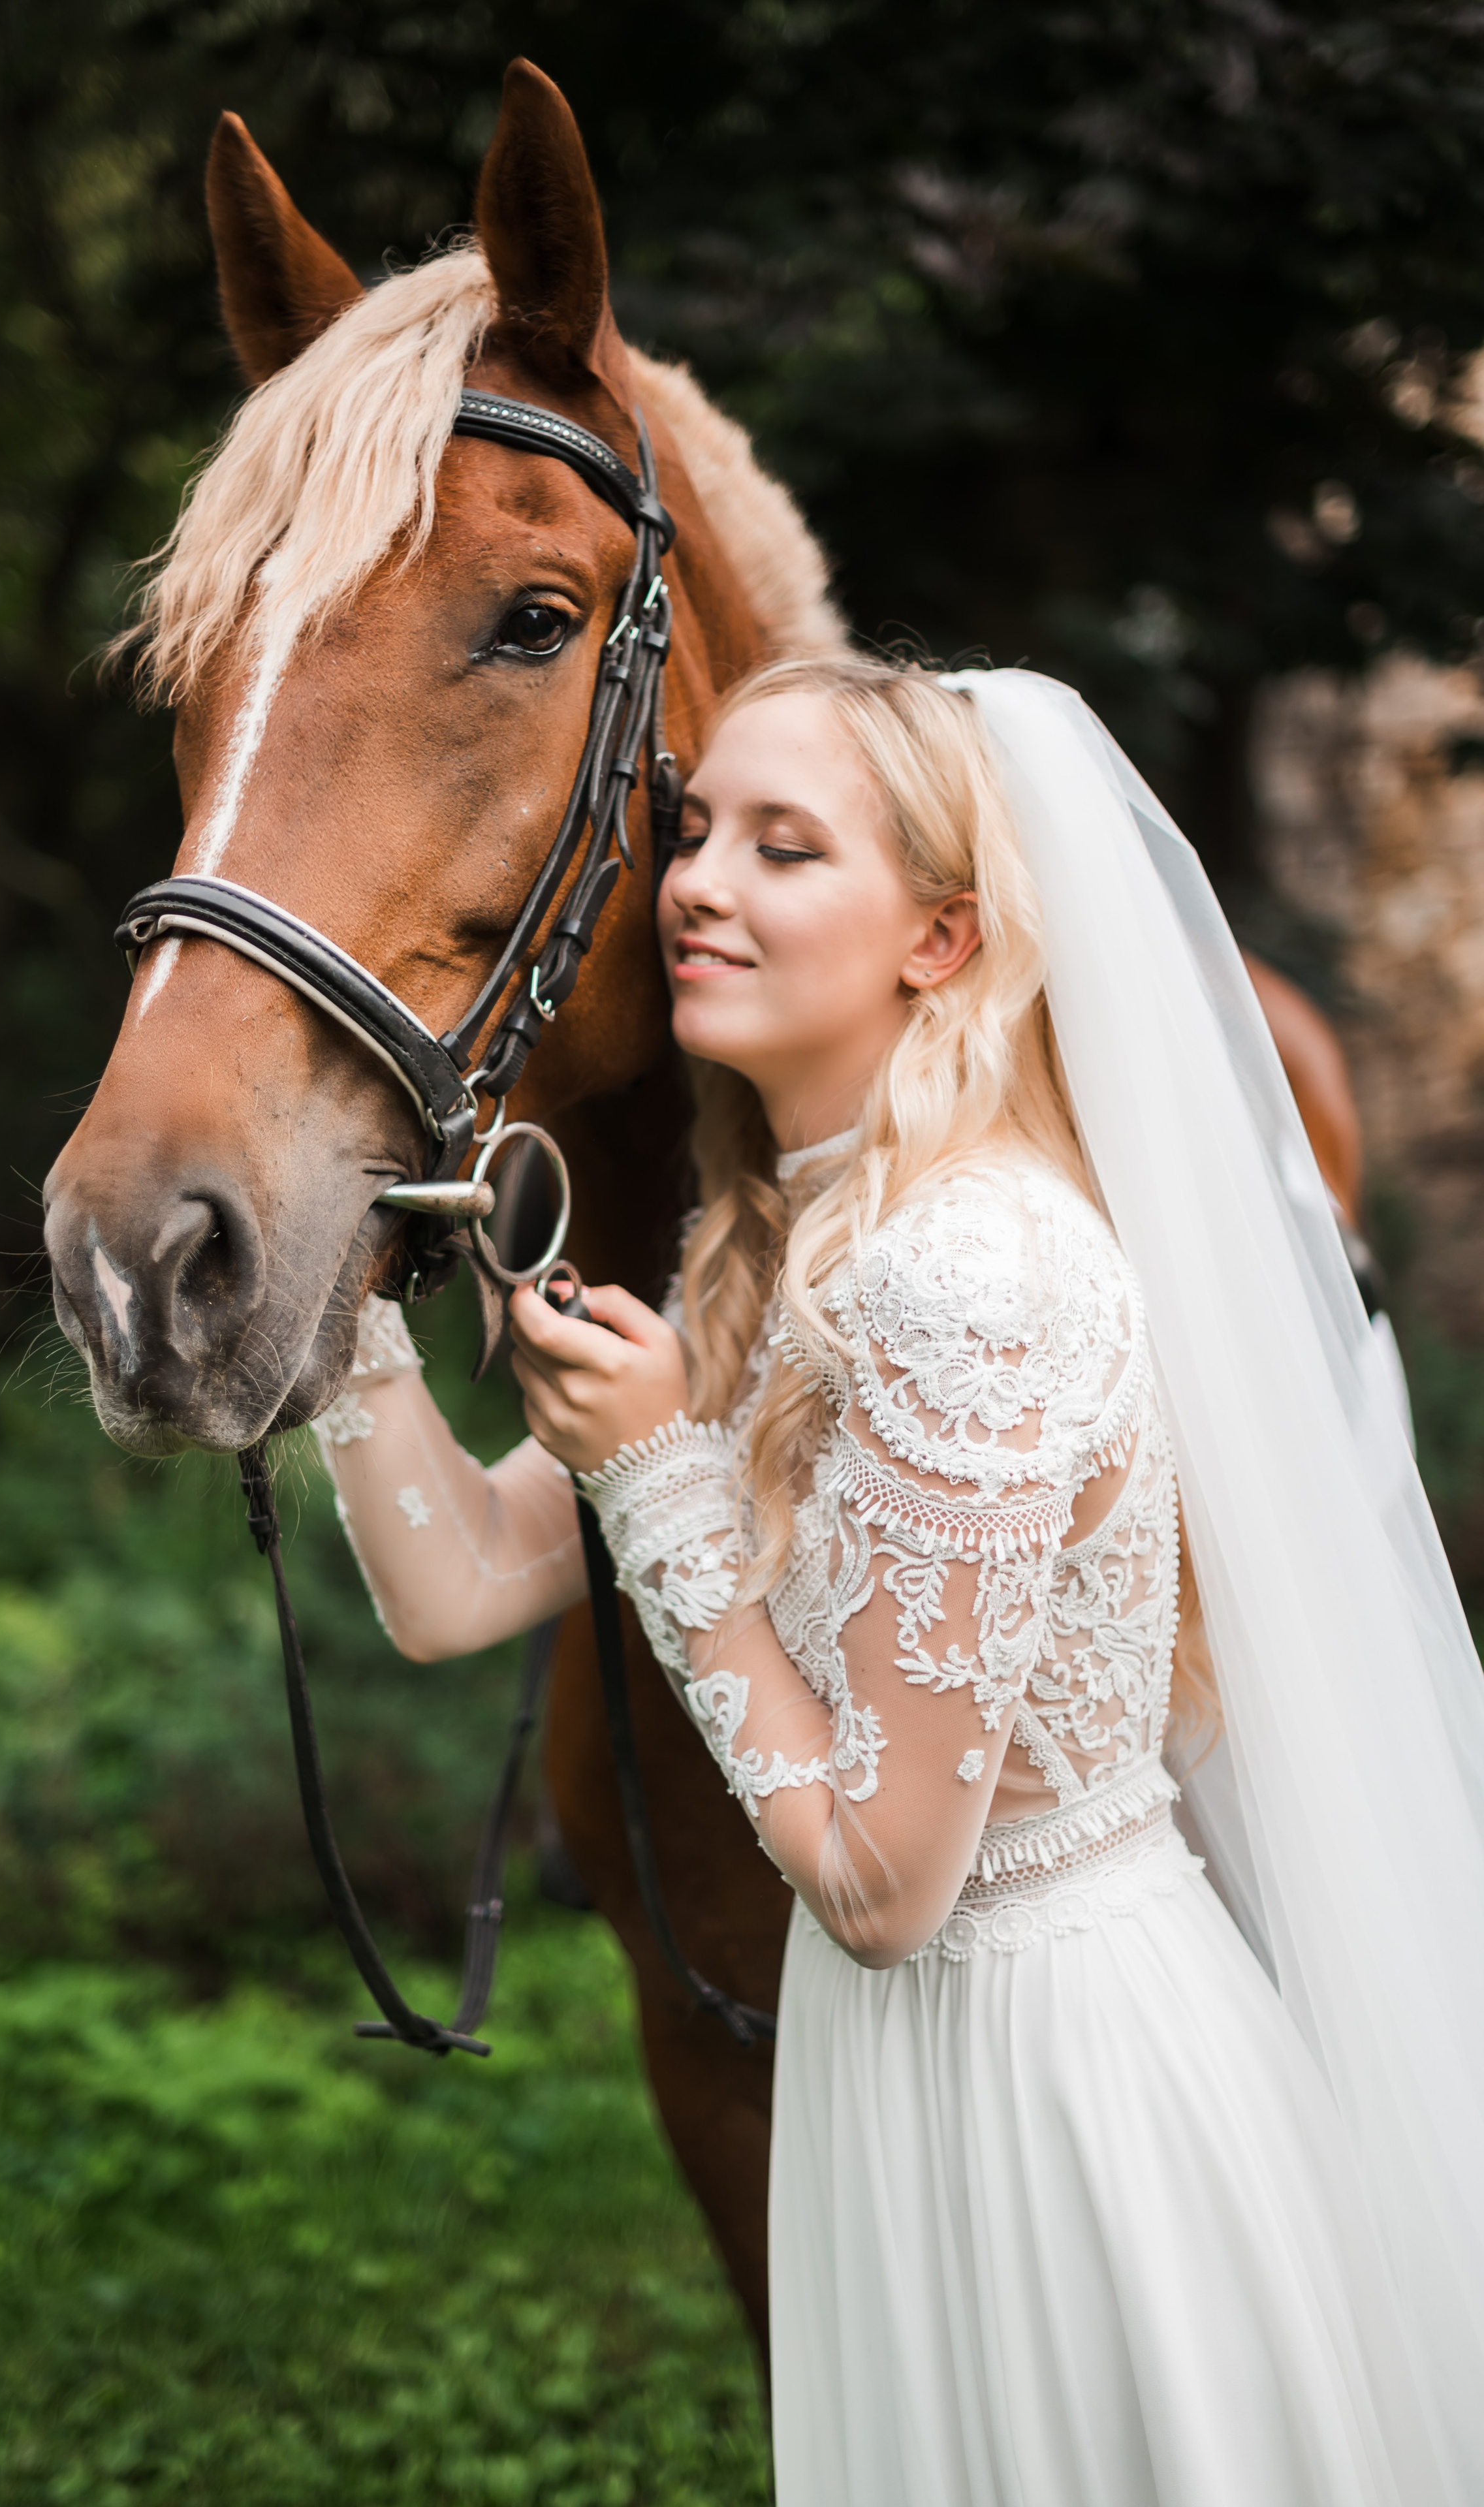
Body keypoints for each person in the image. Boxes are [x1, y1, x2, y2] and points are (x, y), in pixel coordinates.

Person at [315, 655, 1484, 2506]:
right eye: (700, 834)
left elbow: (880, 1881)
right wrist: (334, 1311)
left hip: (1057, 2095)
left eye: (789, 851)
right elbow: (456, 1582)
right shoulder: (789, 1262)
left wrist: (653, 1475)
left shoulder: (971, 1286)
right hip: (909, 2087)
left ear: (939, 941)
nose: (699, 883)